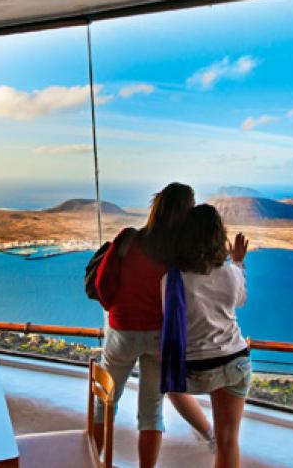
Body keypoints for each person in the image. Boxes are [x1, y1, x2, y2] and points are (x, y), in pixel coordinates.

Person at [94, 182, 213, 468]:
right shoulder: (182, 254)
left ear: (156, 206)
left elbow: (101, 284)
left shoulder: (128, 239)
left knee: (105, 403)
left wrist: (116, 310)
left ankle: (92, 460)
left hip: (123, 332)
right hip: (162, 339)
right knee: (151, 413)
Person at [162, 204, 250, 468]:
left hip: (194, 369)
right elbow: (241, 300)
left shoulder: (173, 278)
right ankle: (213, 436)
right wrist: (238, 262)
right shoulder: (231, 274)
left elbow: (170, 316)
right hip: (235, 362)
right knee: (229, 442)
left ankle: (205, 431)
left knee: (170, 387)